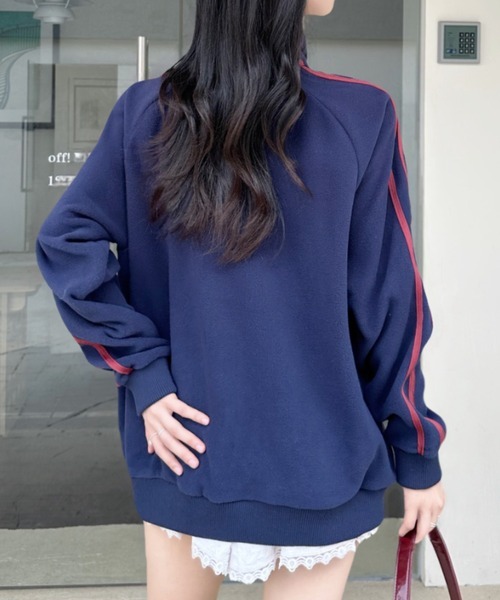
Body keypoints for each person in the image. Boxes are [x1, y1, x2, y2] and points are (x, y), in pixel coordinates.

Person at [35, 0, 447, 598]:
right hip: (319, 460)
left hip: (186, 449)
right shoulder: (360, 115)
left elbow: (65, 243)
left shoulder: (147, 113)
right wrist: (417, 452)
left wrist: (145, 373)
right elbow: (390, 305)